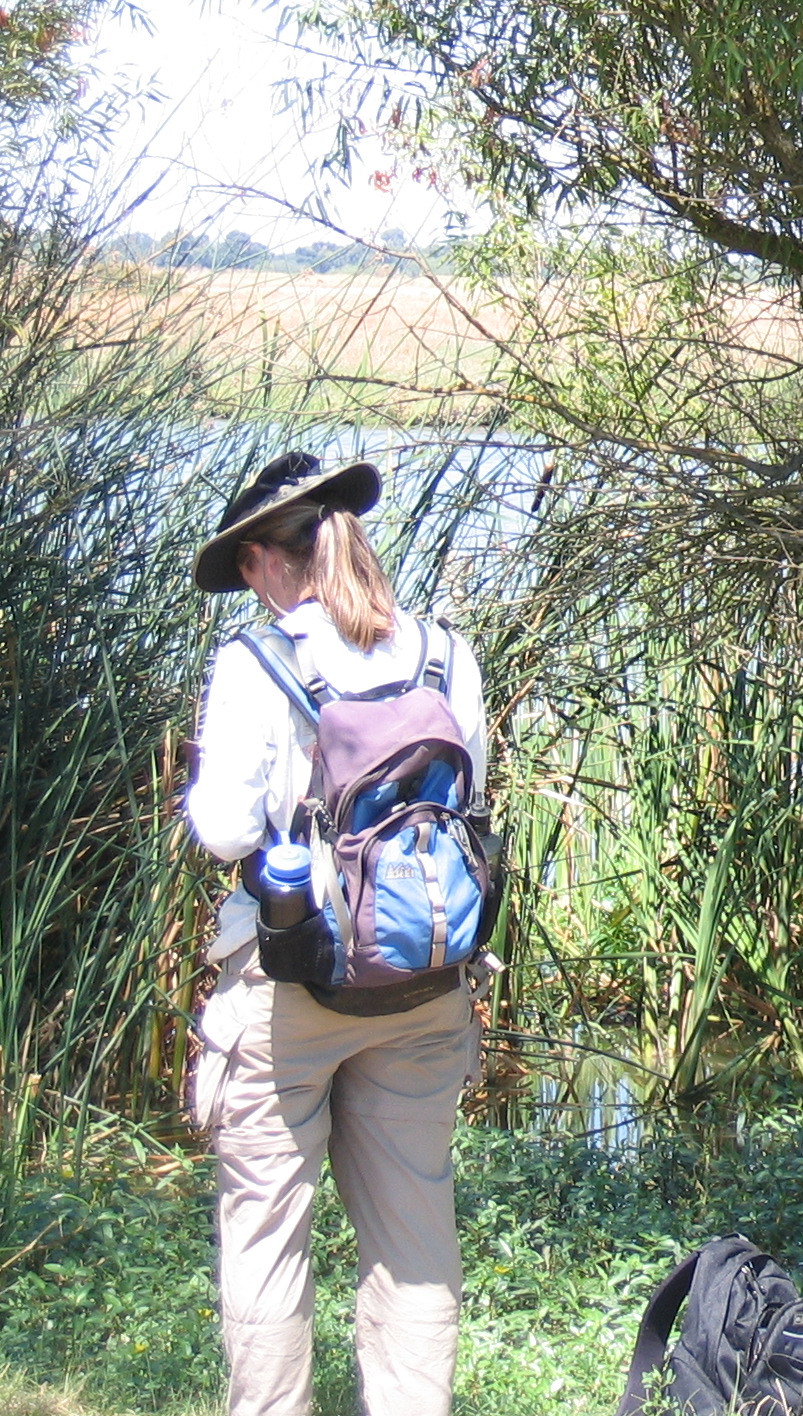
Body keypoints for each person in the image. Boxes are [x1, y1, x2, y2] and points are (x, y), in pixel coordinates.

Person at [185, 451, 488, 1416]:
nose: (249, 589)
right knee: (414, 1228)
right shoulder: (444, 653)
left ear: (267, 562)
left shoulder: (256, 663)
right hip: (425, 979)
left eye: (245, 568)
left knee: (268, 1233)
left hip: (293, 981)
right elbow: (471, 794)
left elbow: (224, 830)